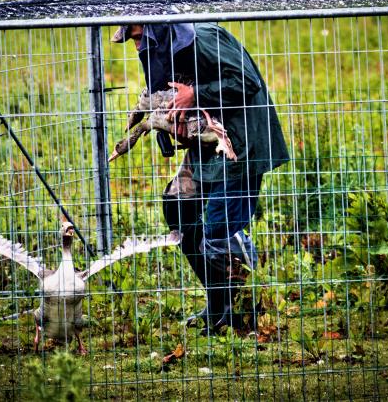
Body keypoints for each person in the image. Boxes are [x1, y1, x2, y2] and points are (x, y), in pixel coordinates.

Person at [112, 22, 289, 333]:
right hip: (208, 144)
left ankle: (244, 313)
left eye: (139, 37)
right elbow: (171, 101)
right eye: (132, 39)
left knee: (221, 229)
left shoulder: (202, 40)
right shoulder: (164, 54)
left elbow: (247, 81)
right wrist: (175, 123)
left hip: (240, 141)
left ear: (156, 30)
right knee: (178, 206)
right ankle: (218, 303)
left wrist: (196, 94)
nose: (137, 47)